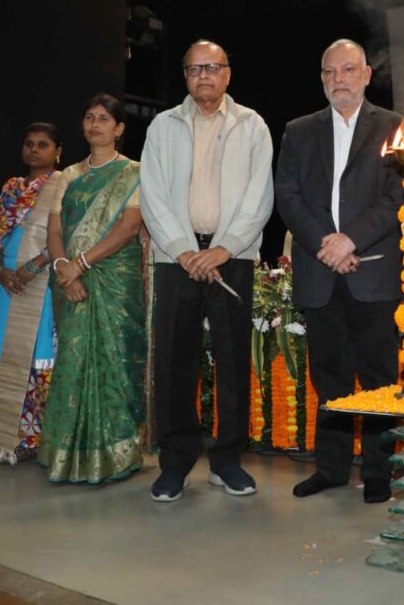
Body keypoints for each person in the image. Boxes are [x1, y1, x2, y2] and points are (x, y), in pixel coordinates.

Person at [140, 39, 274, 502]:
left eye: (213, 67)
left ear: (228, 74)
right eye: (195, 68)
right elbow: (152, 194)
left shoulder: (252, 125)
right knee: (174, 361)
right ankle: (175, 463)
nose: (204, 76)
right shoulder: (163, 126)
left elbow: (260, 196)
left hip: (231, 258)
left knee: (233, 358)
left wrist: (223, 248)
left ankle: (228, 460)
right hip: (175, 258)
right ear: (185, 76)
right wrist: (183, 250)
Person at [275, 39, 403, 504]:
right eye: (330, 72)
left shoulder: (393, 127)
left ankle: (378, 472)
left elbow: (398, 195)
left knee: (379, 376)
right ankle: (330, 468)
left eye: (348, 70)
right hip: (319, 271)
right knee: (328, 376)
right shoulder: (299, 130)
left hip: (373, 271)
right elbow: (287, 195)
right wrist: (327, 245)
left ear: (367, 74)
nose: (338, 79)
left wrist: (352, 240)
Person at [39, 93, 147, 483]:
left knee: (115, 362)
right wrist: (63, 269)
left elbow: (128, 227)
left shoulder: (135, 172)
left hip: (115, 280)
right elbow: (54, 230)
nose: (94, 124)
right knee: (73, 362)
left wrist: (81, 265)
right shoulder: (66, 176)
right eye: (89, 117)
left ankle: (117, 454)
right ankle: (67, 453)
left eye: (103, 118)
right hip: (69, 281)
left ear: (119, 129)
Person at [0, 123, 62, 464]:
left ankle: (52, 439)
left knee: (43, 363)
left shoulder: (62, 186)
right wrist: (0, 271)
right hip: (8, 284)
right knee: (16, 363)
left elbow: (65, 235)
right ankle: (25, 438)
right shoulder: (11, 188)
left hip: (41, 281)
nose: (34, 150)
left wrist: (34, 266)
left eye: (43, 144)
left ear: (58, 152)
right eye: (29, 144)